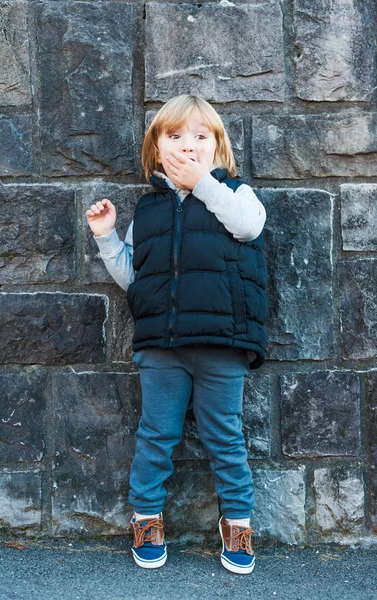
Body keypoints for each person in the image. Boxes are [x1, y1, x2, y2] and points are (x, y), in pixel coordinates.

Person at [85, 94, 267, 574]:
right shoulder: (149, 211)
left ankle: (239, 524)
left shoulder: (235, 194)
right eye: (175, 136)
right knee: (156, 434)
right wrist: (107, 235)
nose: (188, 145)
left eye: (201, 137)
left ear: (217, 148)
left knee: (224, 436)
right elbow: (135, 278)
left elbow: (248, 228)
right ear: (157, 148)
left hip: (221, 345)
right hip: (162, 347)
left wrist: (204, 185)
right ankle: (146, 518)